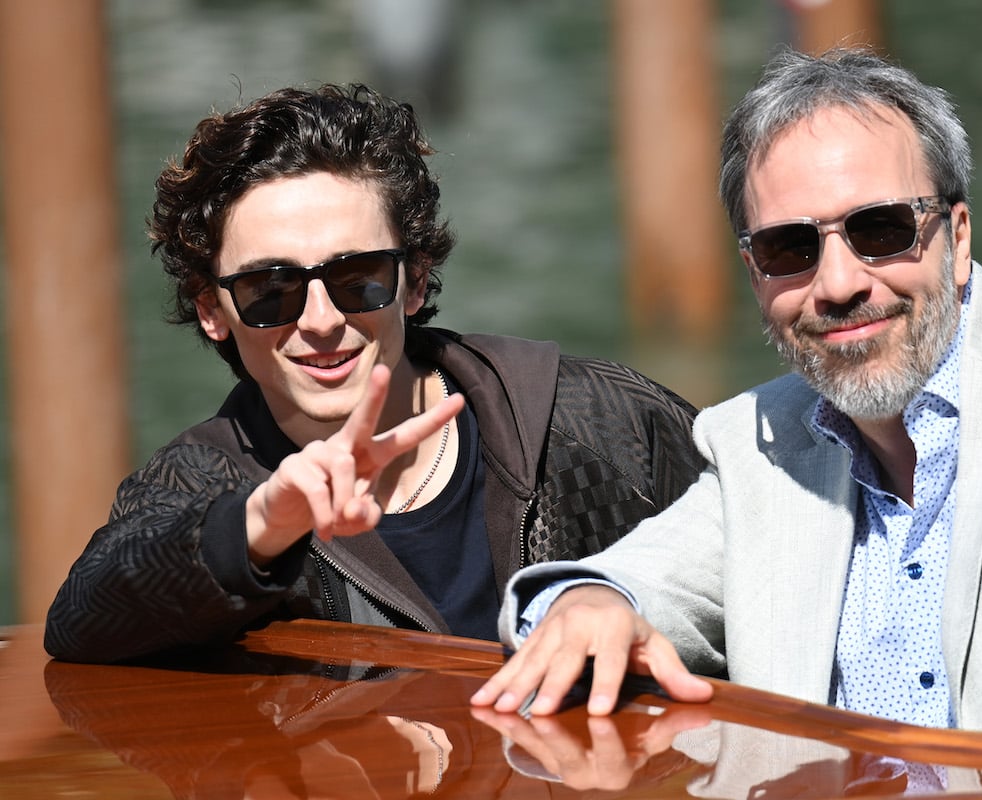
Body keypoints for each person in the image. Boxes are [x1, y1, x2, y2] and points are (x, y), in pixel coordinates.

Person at [470, 46, 982, 735]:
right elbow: (621, 584)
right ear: (756, 276)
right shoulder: (756, 446)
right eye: (791, 247)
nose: (840, 284)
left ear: (960, 238)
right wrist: (590, 602)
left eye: (881, 229)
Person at [43, 83, 704, 663]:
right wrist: (261, 527)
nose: (321, 319)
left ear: (413, 282)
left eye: (356, 278)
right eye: (271, 290)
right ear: (213, 311)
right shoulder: (200, 478)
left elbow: (764, 547)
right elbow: (81, 621)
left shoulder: (591, 416)